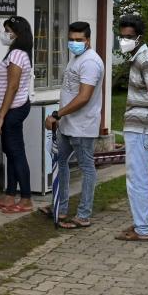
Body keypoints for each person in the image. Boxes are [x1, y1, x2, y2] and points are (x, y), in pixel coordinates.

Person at [114, 15, 148, 242]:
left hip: (142, 126)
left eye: (129, 37)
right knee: (141, 177)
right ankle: (147, 222)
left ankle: (142, 229)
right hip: (142, 125)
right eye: (122, 36)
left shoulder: (144, 59)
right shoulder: (140, 56)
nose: (124, 40)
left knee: (137, 179)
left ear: (139, 37)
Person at [44, 21, 105, 229]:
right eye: (71, 39)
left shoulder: (90, 62)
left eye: (79, 40)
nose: (74, 43)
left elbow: (83, 97)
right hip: (67, 125)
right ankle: (59, 208)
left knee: (87, 168)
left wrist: (56, 114)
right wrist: (61, 118)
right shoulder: (77, 58)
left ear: (88, 40)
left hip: (82, 126)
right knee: (60, 162)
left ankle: (83, 214)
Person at [0, 16, 35, 214]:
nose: (5, 34)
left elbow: (13, 87)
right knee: (11, 153)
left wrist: (0, 117)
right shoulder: (17, 54)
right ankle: (9, 195)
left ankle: (26, 199)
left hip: (13, 110)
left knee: (16, 154)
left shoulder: (17, 55)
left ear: (17, 34)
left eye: (8, 30)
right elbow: (10, 81)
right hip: (12, 109)